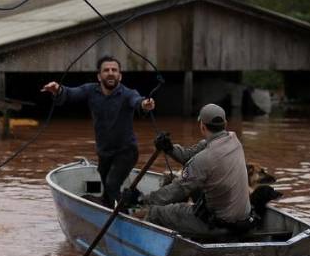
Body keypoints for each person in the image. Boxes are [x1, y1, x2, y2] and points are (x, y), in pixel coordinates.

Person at [41, 56, 156, 207]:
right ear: (99, 76)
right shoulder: (90, 90)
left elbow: (138, 102)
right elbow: (70, 93)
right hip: (104, 152)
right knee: (107, 193)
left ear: (120, 76)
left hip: (126, 152)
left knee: (111, 184)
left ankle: (125, 214)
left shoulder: (128, 94)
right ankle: (129, 201)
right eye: (106, 70)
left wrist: (145, 105)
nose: (110, 73)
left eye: (114, 70)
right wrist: (58, 90)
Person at [138, 103, 254, 237]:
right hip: (243, 220)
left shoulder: (203, 159)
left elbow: (178, 188)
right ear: (225, 124)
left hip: (218, 224)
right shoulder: (234, 141)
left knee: (155, 212)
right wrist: (170, 148)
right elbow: (189, 155)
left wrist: (143, 200)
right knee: (194, 185)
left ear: (202, 127)